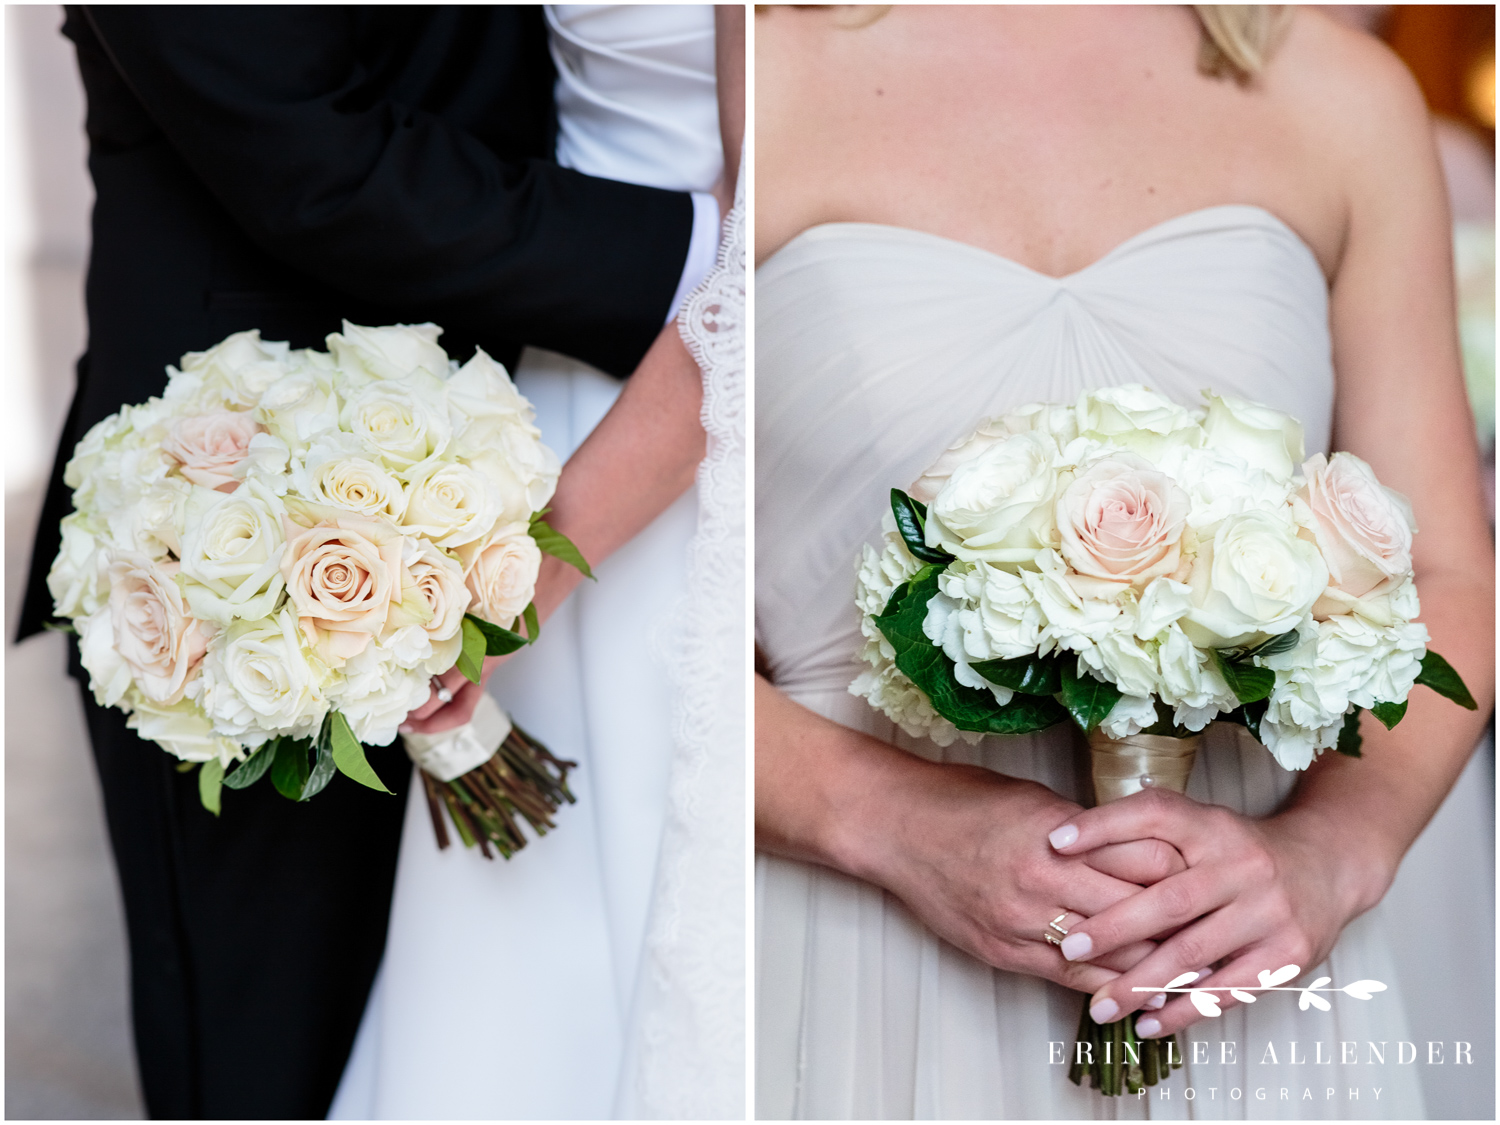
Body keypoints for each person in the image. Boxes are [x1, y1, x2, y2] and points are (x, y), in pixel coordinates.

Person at [754, 5, 1493, 1118]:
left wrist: (1334, 850)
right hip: (859, 939)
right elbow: (618, 608)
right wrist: (891, 821)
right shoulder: (747, 66)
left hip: (1240, 952)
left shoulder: (1339, 91)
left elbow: (1448, 573)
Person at [17, 6, 724, 1118]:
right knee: (278, 1059)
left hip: (576, 438)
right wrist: (727, 273)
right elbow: (308, 152)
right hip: (251, 513)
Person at [329, 6, 745, 1119]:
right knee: (528, 960)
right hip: (558, 368)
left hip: (720, 405)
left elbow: (763, 275)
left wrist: (537, 568)